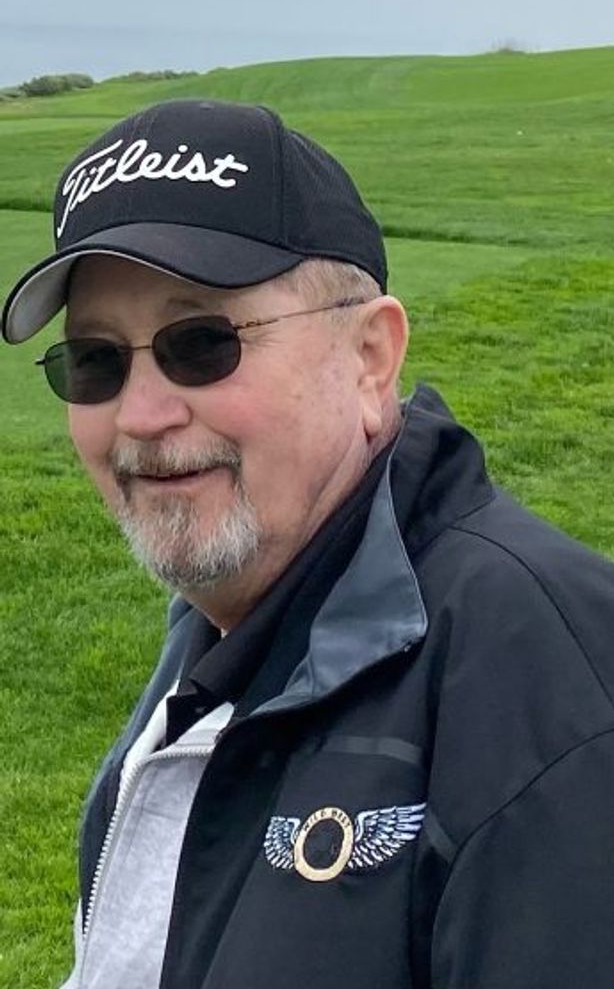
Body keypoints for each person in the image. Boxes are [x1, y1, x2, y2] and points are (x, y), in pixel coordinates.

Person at [4, 98, 614, 989]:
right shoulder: (232, 623)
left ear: (370, 359)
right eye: (96, 360)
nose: (140, 415)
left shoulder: (560, 691)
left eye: (202, 344)